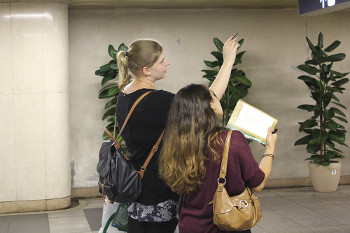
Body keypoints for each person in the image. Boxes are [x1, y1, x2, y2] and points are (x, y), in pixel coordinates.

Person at [115, 36, 240, 233]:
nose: (167, 63)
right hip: (159, 194)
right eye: (161, 60)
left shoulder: (123, 95)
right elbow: (211, 103)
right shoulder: (158, 102)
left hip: (135, 191)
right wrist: (228, 62)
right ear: (146, 70)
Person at [158, 54, 278, 233]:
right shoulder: (231, 140)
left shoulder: (177, 142)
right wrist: (270, 148)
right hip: (226, 225)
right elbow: (258, 183)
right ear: (211, 107)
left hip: (189, 225)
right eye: (214, 96)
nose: (218, 98)